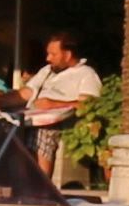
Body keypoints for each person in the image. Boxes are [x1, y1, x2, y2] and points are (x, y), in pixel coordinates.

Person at [22, 34, 106, 163]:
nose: (48, 58)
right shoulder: (47, 70)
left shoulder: (86, 73)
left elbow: (88, 105)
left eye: (53, 54)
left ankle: (40, 175)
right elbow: (27, 92)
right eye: (48, 54)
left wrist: (53, 104)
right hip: (33, 118)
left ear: (67, 55)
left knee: (42, 132)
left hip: (61, 123)